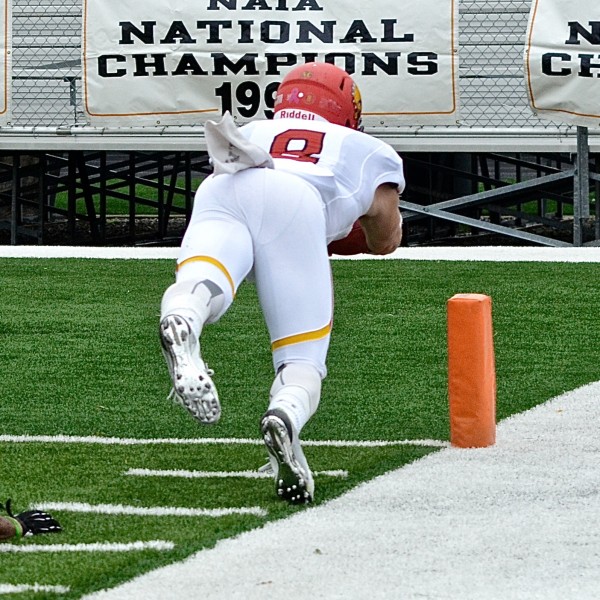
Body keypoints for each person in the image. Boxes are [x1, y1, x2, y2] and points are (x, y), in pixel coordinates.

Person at [159, 62, 405, 504]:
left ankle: (183, 318)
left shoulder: (255, 129)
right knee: (303, 362)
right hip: (296, 207)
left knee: (204, 277)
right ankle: (285, 414)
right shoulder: (367, 147)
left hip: (228, 184)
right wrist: (342, 229)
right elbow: (384, 239)